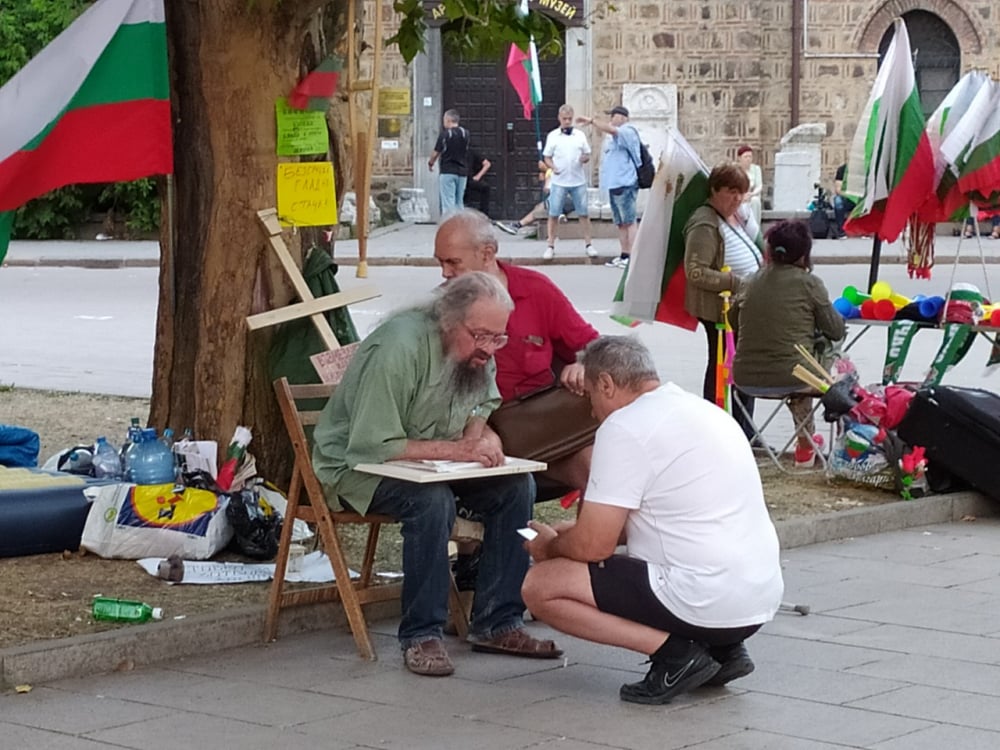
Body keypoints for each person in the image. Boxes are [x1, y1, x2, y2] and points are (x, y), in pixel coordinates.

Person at [311, 271, 563, 677]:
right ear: (448, 321)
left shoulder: (477, 349)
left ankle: (498, 622)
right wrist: (458, 450)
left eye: (498, 338)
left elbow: (483, 402)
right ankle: (421, 633)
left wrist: (479, 440)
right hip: (358, 467)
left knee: (518, 486)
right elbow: (373, 444)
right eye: (480, 336)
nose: (488, 349)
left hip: (432, 463)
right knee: (430, 502)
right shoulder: (398, 345)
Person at [521, 335, 784, 705]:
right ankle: (725, 652)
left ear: (606, 384)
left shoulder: (625, 425)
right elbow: (670, 517)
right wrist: (577, 535)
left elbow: (596, 546)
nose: (593, 412)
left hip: (701, 599)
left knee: (541, 585)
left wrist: (551, 545)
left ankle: (676, 656)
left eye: (591, 399)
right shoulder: (704, 410)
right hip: (756, 601)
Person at [434, 209, 599, 494]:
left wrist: (582, 362)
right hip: (480, 422)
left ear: (487, 254)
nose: (445, 273)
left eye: (453, 263)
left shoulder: (535, 290)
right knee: (487, 462)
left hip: (542, 420)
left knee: (598, 469)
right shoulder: (440, 306)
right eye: (440, 263)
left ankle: (582, 539)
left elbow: (593, 344)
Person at [731, 220, 845, 467]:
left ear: (769, 251)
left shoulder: (749, 281)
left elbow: (733, 322)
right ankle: (808, 444)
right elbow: (835, 330)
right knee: (826, 347)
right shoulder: (809, 283)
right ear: (804, 254)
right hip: (794, 378)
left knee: (796, 359)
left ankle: (806, 443)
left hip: (745, 378)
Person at [683, 161, 761, 439]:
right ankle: (723, 431)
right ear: (715, 190)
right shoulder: (704, 223)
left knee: (739, 370)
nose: (737, 198)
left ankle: (743, 430)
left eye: (741, 192)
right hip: (720, 311)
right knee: (724, 370)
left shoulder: (733, 217)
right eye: (731, 192)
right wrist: (737, 282)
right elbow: (695, 272)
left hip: (739, 307)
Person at [577, 105, 641, 268]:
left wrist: (591, 121)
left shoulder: (628, 131)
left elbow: (612, 130)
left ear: (622, 117)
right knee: (620, 223)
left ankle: (633, 257)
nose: (611, 119)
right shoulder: (613, 138)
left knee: (629, 221)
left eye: (613, 116)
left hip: (626, 183)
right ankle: (624, 254)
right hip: (615, 184)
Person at [541, 104, 595, 260]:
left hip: (578, 180)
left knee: (583, 213)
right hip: (559, 181)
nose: (567, 121)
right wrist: (553, 167)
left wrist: (584, 158)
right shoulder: (552, 136)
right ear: (559, 118)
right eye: (564, 119)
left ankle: (588, 244)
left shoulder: (579, 135)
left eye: (569, 119)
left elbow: (587, 153)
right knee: (553, 213)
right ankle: (550, 245)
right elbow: (547, 156)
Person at [428, 109, 470, 219]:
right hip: (462, 171)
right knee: (459, 201)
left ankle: (449, 226)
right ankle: (460, 225)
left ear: (448, 120)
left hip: (448, 171)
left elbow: (436, 152)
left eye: (444, 120)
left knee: (448, 202)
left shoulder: (445, 135)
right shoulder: (465, 134)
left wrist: (431, 163)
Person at [737, 145, 763, 227]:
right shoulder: (736, 169)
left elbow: (759, 185)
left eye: (750, 156)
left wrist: (752, 194)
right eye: (746, 157)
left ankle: (755, 228)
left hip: (751, 195)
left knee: (755, 201)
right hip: (739, 196)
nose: (748, 159)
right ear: (740, 158)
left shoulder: (756, 169)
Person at [463, 150, 492, 217]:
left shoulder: (471, 152)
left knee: (485, 187)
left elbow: (487, 164)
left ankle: (484, 215)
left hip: (469, 180)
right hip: (459, 178)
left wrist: (478, 176)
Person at [832, 163, 856, 239]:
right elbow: (838, 190)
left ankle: (866, 230)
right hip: (848, 199)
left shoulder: (864, 170)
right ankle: (841, 231)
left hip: (859, 198)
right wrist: (851, 195)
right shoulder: (842, 169)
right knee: (837, 200)